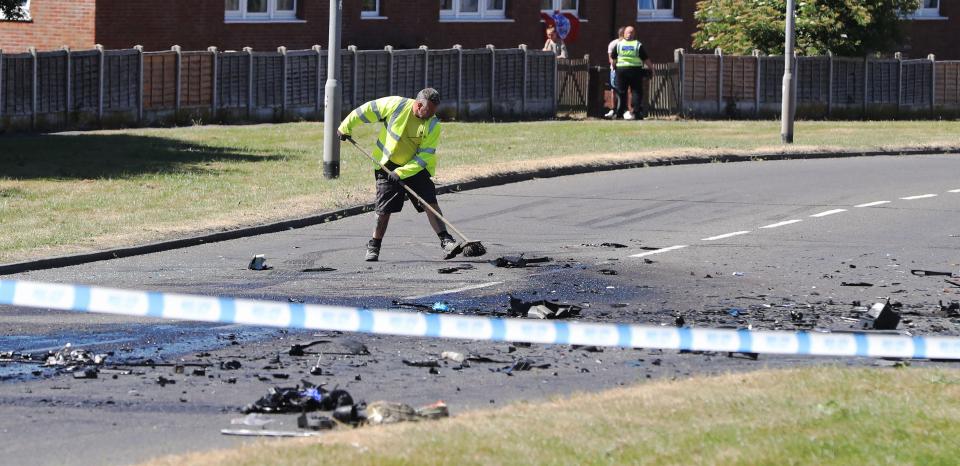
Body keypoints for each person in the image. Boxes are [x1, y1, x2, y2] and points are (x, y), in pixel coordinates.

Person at [337, 88, 457, 262]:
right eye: (428, 111)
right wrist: (345, 127)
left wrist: (401, 172)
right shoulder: (396, 105)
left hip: (414, 166)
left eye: (434, 112)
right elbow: (366, 110)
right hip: (386, 164)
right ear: (418, 105)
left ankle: (446, 240)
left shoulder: (433, 124)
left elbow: (424, 157)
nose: (431, 115)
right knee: (384, 209)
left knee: (429, 201)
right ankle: (374, 245)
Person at [610, 25, 653, 120]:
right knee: (636, 91)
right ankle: (636, 113)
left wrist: (614, 67)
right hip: (635, 71)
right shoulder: (637, 45)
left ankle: (619, 113)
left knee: (621, 92)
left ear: (624, 34)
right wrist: (651, 68)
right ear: (634, 34)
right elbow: (645, 58)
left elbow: (613, 58)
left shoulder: (619, 44)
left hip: (621, 71)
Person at [604, 26, 626, 119]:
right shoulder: (613, 44)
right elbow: (610, 59)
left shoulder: (628, 44)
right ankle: (613, 109)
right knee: (614, 89)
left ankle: (623, 110)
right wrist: (615, 66)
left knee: (624, 90)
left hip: (624, 69)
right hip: (615, 69)